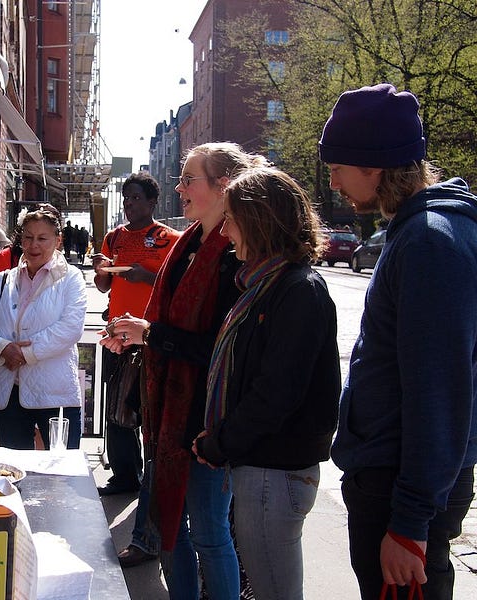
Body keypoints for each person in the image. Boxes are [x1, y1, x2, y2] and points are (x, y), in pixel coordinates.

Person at [320, 83, 477, 599]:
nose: (333, 181)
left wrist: (409, 521)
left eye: (337, 166)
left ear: (374, 164)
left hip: (398, 484)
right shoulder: (425, 230)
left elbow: (440, 391)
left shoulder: (429, 240)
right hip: (398, 474)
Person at [105, 143, 265, 598]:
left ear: (224, 186)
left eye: (188, 179)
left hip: (208, 418)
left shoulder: (237, 253)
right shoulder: (190, 241)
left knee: (209, 531)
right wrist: (137, 334)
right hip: (168, 416)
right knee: (171, 531)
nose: (179, 188)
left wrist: (151, 335)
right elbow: (168, 320)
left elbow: (223, 350)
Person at [192, 166, 341, 600]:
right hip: (262, 468)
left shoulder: (297, 289)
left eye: (232, 219)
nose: (225, 231)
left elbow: (276, 393)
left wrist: (219, 443)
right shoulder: (264, 285)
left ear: (259, 221)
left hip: (274, 471)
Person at [92, 172, 180, 497]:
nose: (129, 204)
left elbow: (178, 286)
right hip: (117, 336)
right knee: (117, 412)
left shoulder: (169, 238)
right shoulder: (114, 237)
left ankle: (155, 478)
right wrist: (101, 269)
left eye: (136, 198)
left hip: (152, 336)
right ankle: (125, 476)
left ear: (152, 201)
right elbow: (103, 286)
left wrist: (146, 276)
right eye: (126, 198)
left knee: (150, 412)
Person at [0, 206, 87, 450]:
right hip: (8, 393)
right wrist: (3, 348)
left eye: (42, 238)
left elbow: (70, 328)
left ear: (58, 241)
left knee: (61, 467)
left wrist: (24, 353)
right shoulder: (3, 280)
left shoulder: (72, 278)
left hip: (55, 393)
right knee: (13, 467)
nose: (34, 245)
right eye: (28, 237)